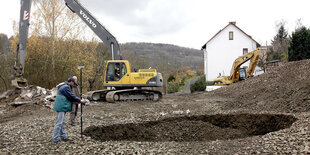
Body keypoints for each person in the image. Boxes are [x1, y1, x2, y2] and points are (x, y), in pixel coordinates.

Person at [52, 77, 86, 144]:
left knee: (63, 122)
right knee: (59, 123)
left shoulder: (65, 86)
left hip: (62, 106)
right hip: (61, 106)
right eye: (73, 83)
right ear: (71, 82)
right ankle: (55, 139)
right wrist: (80, 100)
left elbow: (71, 96)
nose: (73, 85)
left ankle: (63, 136)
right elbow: (71, 96)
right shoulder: (66, 87)